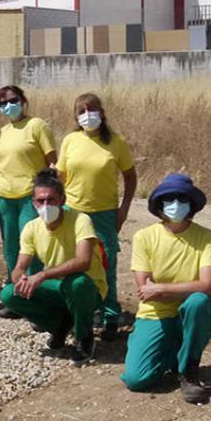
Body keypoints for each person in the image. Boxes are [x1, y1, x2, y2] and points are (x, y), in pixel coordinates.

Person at [120, 174, 211, 405]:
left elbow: (206, 285)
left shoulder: (207, 238)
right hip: (154, 315)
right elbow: (144, 290)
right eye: (169, 199)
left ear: (192, 204)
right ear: (159, 205)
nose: (175, 204)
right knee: (137, 380)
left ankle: (189, 371)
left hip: (188, 313)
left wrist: (161, 288)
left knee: (199, 302)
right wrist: (189, 288)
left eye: (182, 199)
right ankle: (174, 353)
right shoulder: (144, 237)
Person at [0, 169, 105, 365]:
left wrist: (42, 275)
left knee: (77, 283)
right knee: (9, 294)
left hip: (88, 287)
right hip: (57, 286)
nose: (45, 206)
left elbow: (84, 261)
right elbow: (20, 267)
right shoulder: (31, 228)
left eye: (51, 200)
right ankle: (60, 326)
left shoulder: (80, 221)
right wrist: (21, 279)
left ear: (62, 200)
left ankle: (84, 336)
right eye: (40, 201)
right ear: (34, 203)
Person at [55, 93, 137, 339]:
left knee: (106, 263)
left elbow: (130, 177)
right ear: (76, 116)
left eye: (91, 110)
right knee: (74, 264)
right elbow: (60, 177)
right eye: (81, 111)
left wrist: (123, 209)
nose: (87, 115)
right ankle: (80, 313)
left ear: (102, 113)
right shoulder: (70, 141)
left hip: (104, 214)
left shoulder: (117, 142)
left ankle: (110, 315)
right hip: (73, 212)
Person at [0, 85, 57, 317]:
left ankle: (36, 296)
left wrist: (50, 192)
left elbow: (52, 162)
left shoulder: (37, 126)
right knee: (10, 247)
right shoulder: (1, 133)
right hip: (4, 197)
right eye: (3, 103)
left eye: (13, 100)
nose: (9, 105)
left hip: (30, 196)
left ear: (23, 101)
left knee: (31, 247)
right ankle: (16, 295)